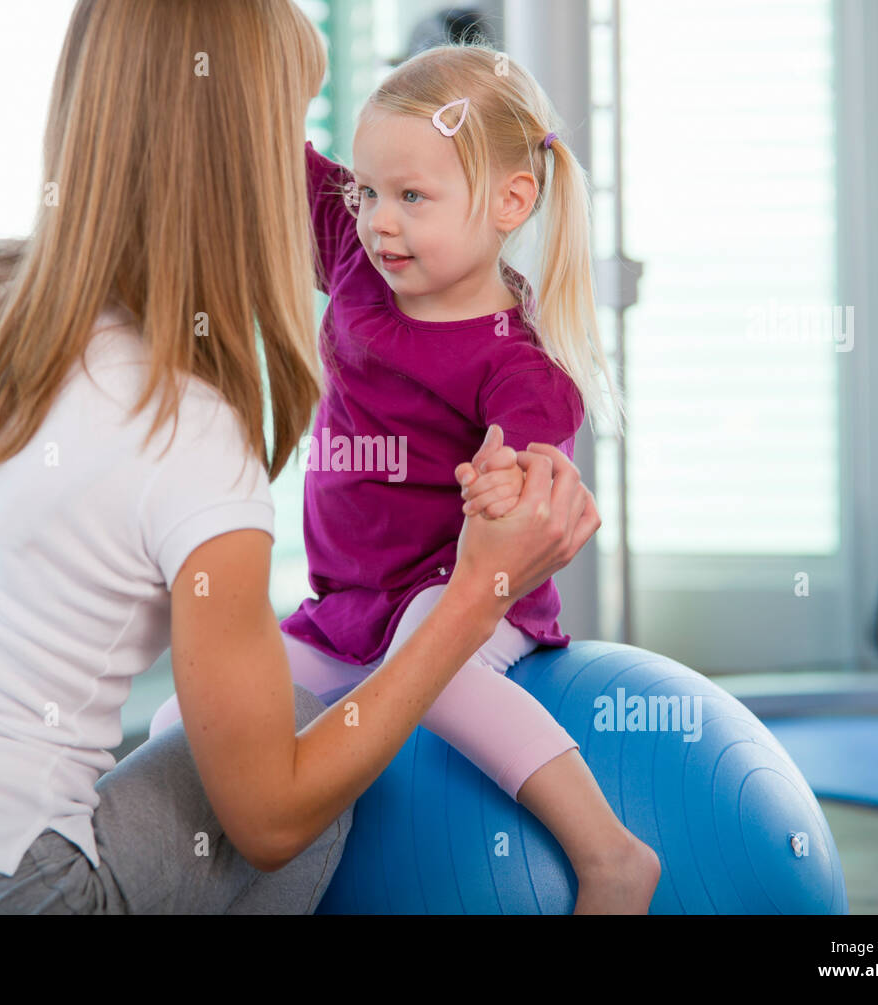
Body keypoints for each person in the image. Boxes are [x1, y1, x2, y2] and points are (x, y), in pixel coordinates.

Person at [0, 0, 600, 915]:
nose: (338, 186)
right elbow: (270, 818)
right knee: (302, 786)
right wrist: (474, 594)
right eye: (295, 130)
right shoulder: (188, 421)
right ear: (248, 150)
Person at [151, 41, 659, 913]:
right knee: (181, 727)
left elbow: (537, 481)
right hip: (345, 610)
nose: (379, 219)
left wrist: (508, 489)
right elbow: (268, 148)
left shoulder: (519, 367)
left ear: (510, 202)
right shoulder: (357, 254)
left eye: (412, 198)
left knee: (446, 667)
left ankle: (610, 853)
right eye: (368, 191)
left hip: (456, 601)